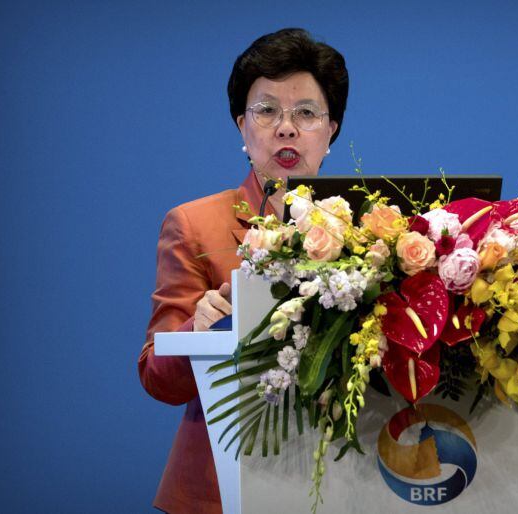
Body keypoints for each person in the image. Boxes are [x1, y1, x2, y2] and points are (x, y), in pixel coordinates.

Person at [137, 28, 348, 514]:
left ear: (331, 130)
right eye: (267, 110)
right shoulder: (194, 225)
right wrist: (199, 329)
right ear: (241, 127)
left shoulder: (374, 233)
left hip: (342, 481)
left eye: (306, 113)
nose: (286, 128)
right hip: (223, 484)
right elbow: (156, 377)